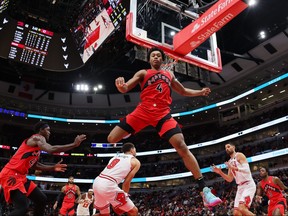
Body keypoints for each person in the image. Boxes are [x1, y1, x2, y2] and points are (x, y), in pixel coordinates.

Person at [107, 47, 222, 208]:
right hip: (143, 111)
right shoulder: (143, 73)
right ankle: (129, 131)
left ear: (162, 60)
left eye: (158, 56)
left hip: (162, 114)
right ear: (149, 60)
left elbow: (183, 91)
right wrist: (121, 88)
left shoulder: (170, 74)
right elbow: (126, 87)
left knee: (181, 145)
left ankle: (204, 189)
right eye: (153, 55)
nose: (155, 57)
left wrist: (200, 92)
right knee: (111, 138)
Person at [0, 121, 86, 216]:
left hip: (21, 177)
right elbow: (51, 149)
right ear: (41, 130)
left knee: (42, 199)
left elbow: (34, 165)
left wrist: (52, 167)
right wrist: (74, 144)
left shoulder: (37, 148)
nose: (50, 132)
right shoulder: (37, 138)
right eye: (48, 130)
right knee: (22, 207)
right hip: (10, 174)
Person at [93, 142, 140, 215]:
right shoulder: (135, 162)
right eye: (135, 150)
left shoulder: (115, 157)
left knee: (104, 214)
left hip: (97, 181)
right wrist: (125, 196)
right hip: (108, 184)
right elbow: (126, 182)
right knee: (134, 211)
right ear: (132, 150)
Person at [211, 143, 256, 216]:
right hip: (240, 187)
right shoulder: (229, 162)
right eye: (226, 148)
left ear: (234, 147)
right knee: (236, 213)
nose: (227, 149)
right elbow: (229, 179)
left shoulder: (239, 155)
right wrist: (220, 172)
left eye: (228, 147)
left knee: (242, 208)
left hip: (248, 184)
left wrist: (233, 167)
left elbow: (247, 170)